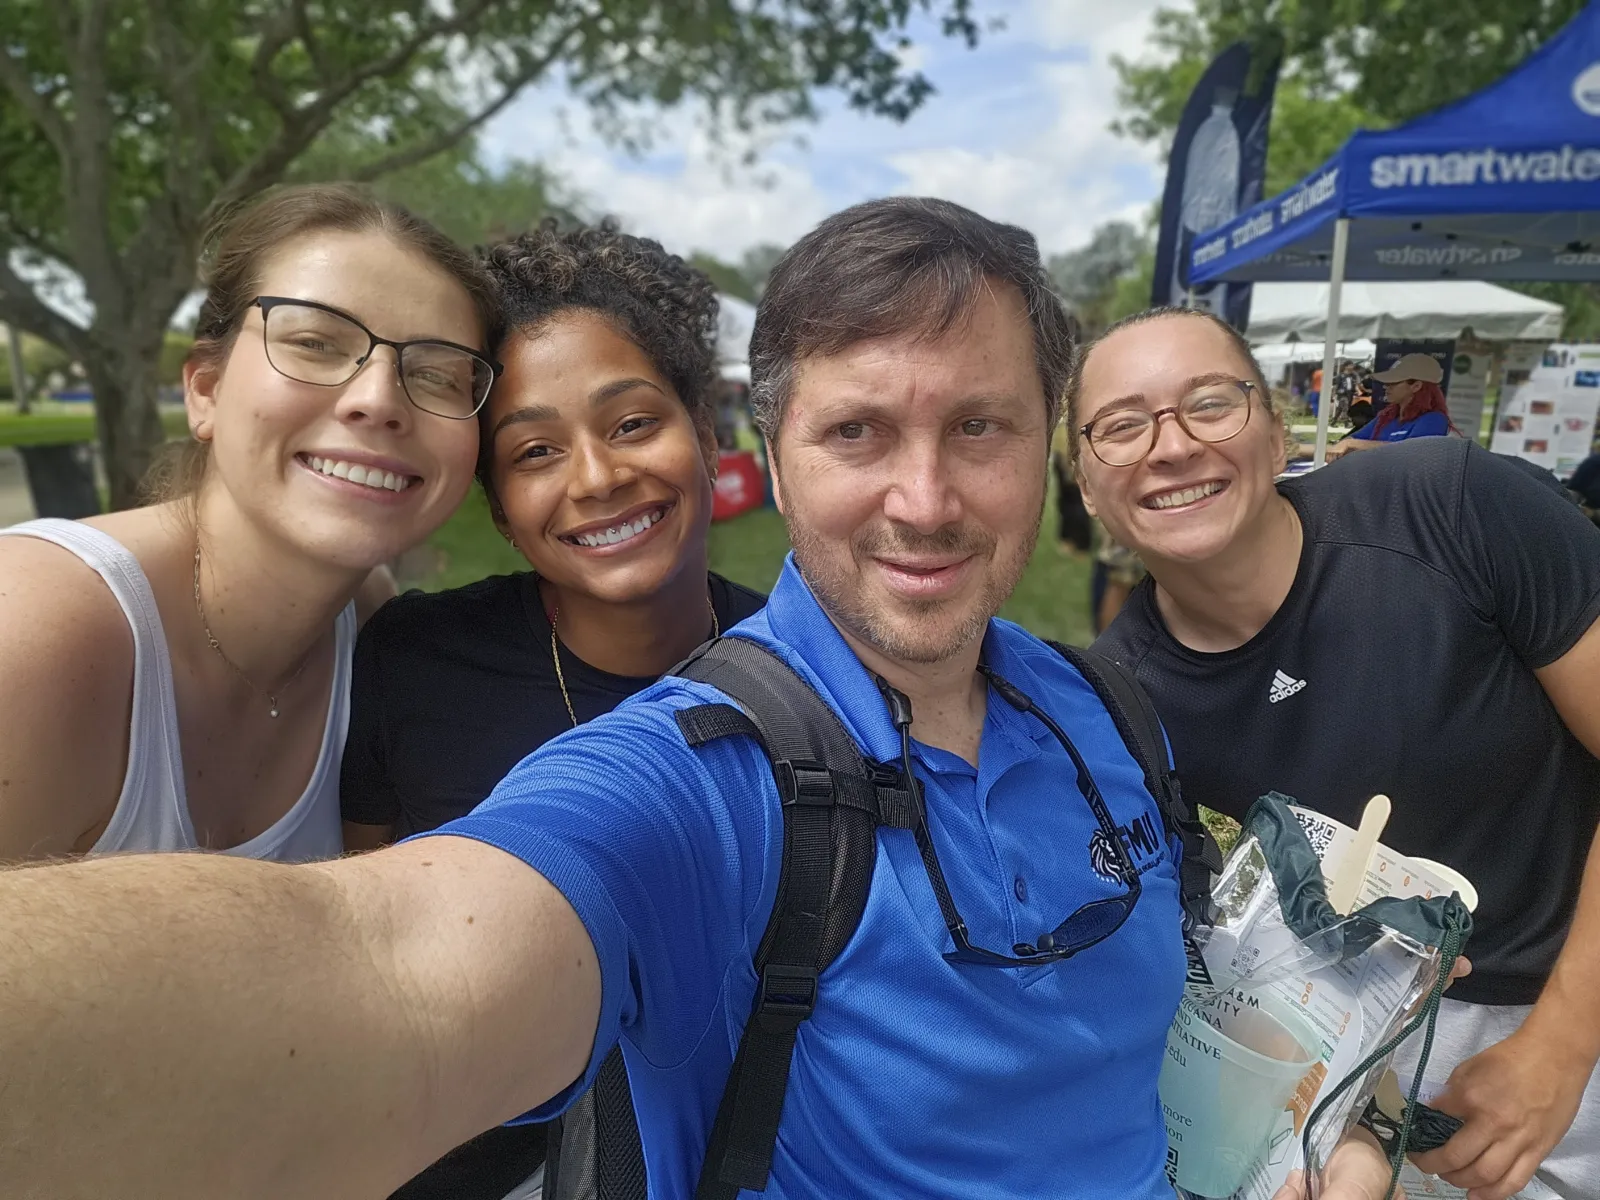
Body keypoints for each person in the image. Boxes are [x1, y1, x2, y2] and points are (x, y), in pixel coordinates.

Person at [0, 199, 1394, 1200]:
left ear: (1048, 452)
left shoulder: (1102, 707)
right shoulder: (701, 769)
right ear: (775, 464)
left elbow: (1174, 1026)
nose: (924, 499)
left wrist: (1310, 1130)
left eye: (979, 426)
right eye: (856, 432)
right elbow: (394, 969)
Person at [1075, 306, 1600, 1200]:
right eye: (1123, 426)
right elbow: (1204, 955)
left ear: (1279, 432)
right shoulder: (1114, 701)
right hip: (1357, 1066)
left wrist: (1559, 1046)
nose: (1171, 447)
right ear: (1087, 489)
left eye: (1210, 402)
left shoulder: (1451, 508)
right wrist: (1350, 1121)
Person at [341, 220, 767, 1198]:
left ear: (706, 433)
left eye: (630, 424)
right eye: (534, 451)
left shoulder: (804, 673)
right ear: (495, 499)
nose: (597, 478)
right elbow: (366, 952)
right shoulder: (415, 664)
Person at [0, 184, 495, 864]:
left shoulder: (377, 630)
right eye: (316, 342)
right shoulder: (31, 630)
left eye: (438, 376)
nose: (378, 401)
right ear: (205, 390)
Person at [1328, 353, 1458, 458]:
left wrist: (1353, 444)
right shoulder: (1386, 417)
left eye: (1393, 382)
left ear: (1416, 386)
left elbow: (1411, 452)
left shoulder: (1434, 419)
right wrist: (1347, 444)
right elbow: (1352, 439)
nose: (1386, 386)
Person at [1051, 419, 1093, 552]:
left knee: (1076, 501)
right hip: (1060, 453)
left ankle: (1081, 543)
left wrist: (1070, 462)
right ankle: (1068, 538)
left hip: (1070, 455)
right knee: (1065, 501)